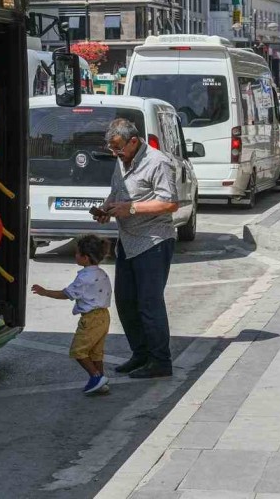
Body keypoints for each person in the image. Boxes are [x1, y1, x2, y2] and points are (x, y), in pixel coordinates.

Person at [93, 117, 179, 379]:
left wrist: (131, 208)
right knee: (126, 302)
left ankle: (160, 361)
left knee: (149, 304)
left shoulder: (158, 162)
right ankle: (140, 353)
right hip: (128, 242)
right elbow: (117, 192)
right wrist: (107, 208)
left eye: (118, 147)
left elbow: (170, 203)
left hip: (153, 240)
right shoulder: (122, 160)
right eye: (111, 148)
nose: (115, 153)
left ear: (134, 141)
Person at [31, 234, 114, 395]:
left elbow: (67, 294)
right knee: (96, 352)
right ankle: (101, 379)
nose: (75, 256)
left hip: (90, 318)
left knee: (79, 351)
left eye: (77, 253)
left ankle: (95, 376)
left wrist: (45, 292)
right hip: (104, 316)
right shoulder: (102, 273)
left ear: (86, 258)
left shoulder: (84, 277)